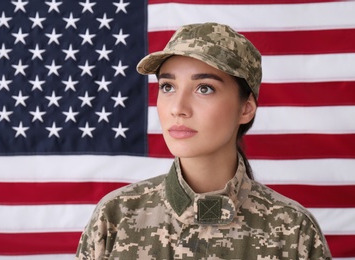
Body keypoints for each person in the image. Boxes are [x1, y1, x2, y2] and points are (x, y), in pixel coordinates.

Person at [75, 22, 332, 259]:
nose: (178, 108)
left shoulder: (292, 229)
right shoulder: (115, 216)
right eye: (168, 87)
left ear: (246, 109)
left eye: (204, 88)